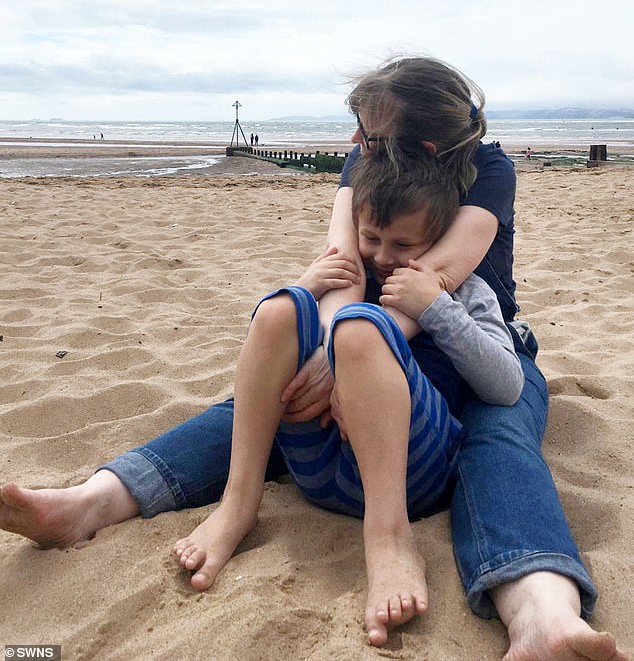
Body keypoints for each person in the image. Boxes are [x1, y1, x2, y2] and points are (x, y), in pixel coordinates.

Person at [0, 57, 626, 661]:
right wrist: (335, 349)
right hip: (363, 332)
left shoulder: (489, 171)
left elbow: (433, 272)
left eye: (372, 133)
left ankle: (543, 611)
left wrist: (351, 347)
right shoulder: (367, 163)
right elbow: (345, 260)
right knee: (257, 407)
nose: (356, 142)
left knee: (498, 441)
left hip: (466, 338)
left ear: (424, 148)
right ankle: (93, 502)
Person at [171, 151, 524, 646]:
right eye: (371, 238)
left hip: (408, 474)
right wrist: (307, 287)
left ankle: (389, 539)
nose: (382, 256)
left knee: (359, 331)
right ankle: (238, 502)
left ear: (436, 239)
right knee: (278, 311)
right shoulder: (344, 277)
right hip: (317, 463)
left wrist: (437, 308)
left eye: (404, 244)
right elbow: (275, 350)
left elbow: (507, 386)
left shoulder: (464, 290)